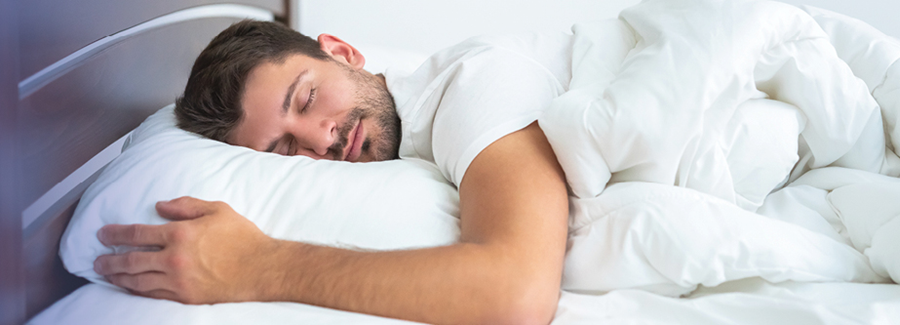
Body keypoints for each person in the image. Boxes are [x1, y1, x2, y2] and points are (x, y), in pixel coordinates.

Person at [93, 20, 571, 324]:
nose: (321, 139)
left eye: (307, 99)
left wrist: (256, 265)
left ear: (341, 52)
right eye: (284, 147)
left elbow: (515, 295)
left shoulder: (473, 84)